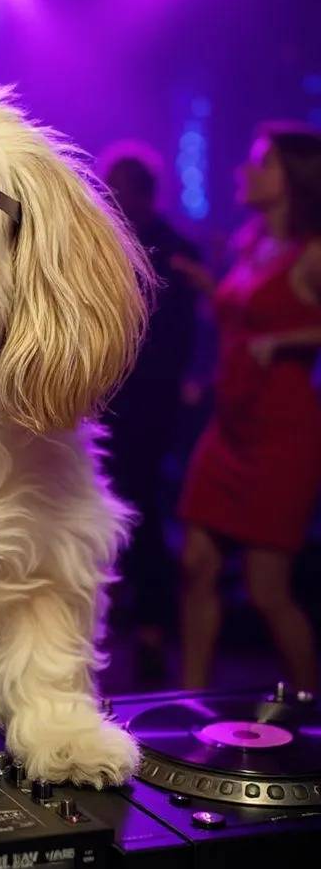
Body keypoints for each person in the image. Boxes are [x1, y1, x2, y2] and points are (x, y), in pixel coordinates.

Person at [178, 123, 321, 692]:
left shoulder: (314, 254)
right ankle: (188, 701)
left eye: (263, 163)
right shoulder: (252, 242)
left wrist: (287, 342)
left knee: (267, 590)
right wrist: (205, 287)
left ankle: (312, 712)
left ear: (295, 178)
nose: (246, 171)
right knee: (196, 564)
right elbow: (243, 317)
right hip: (228, 427)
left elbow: (281, 325)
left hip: (282, 434)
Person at [98, 143, 199, 684]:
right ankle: (125, 622)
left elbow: (178, 339)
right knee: (110, 509)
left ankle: (153, 630)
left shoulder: (175, 249)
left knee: (141, 513)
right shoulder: (106, 245)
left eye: (117, 187)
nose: (108, 196)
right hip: (108, 401)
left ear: (141, 192)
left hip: (148, 404)